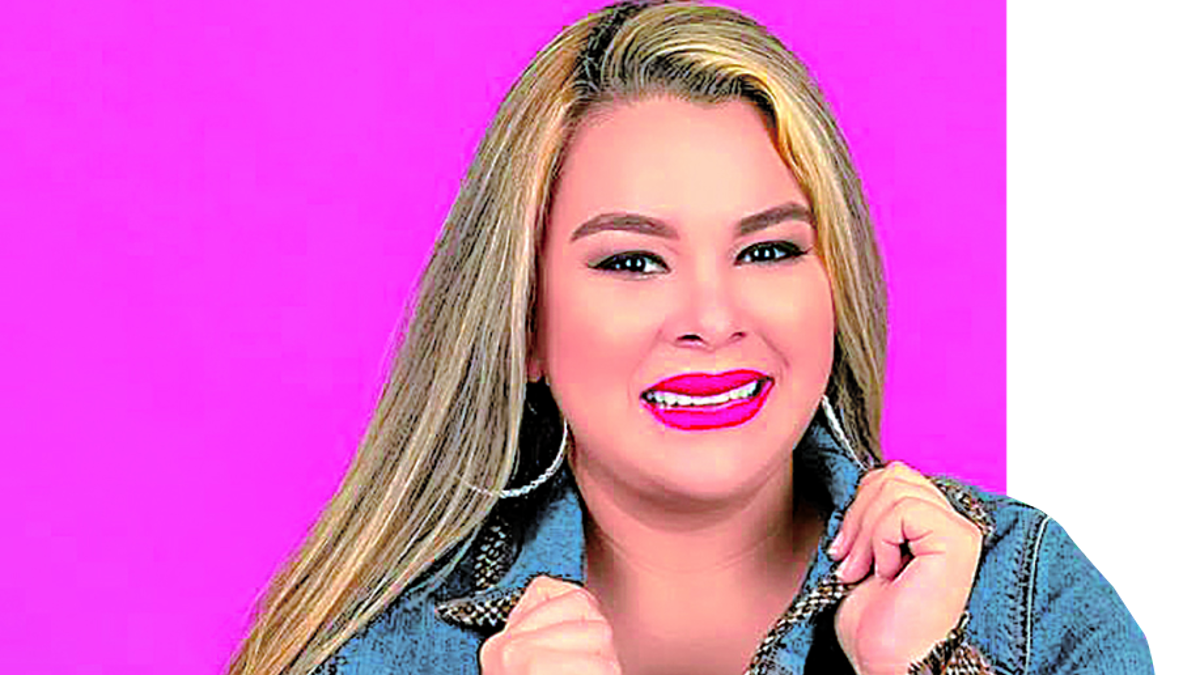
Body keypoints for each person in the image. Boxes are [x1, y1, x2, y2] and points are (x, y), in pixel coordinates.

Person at [224, 2, 1151, 674]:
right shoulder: (375, 651)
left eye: (769, 249)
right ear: (525, 323)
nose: (712, 316)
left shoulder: (1025, 598)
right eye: (632, 261)